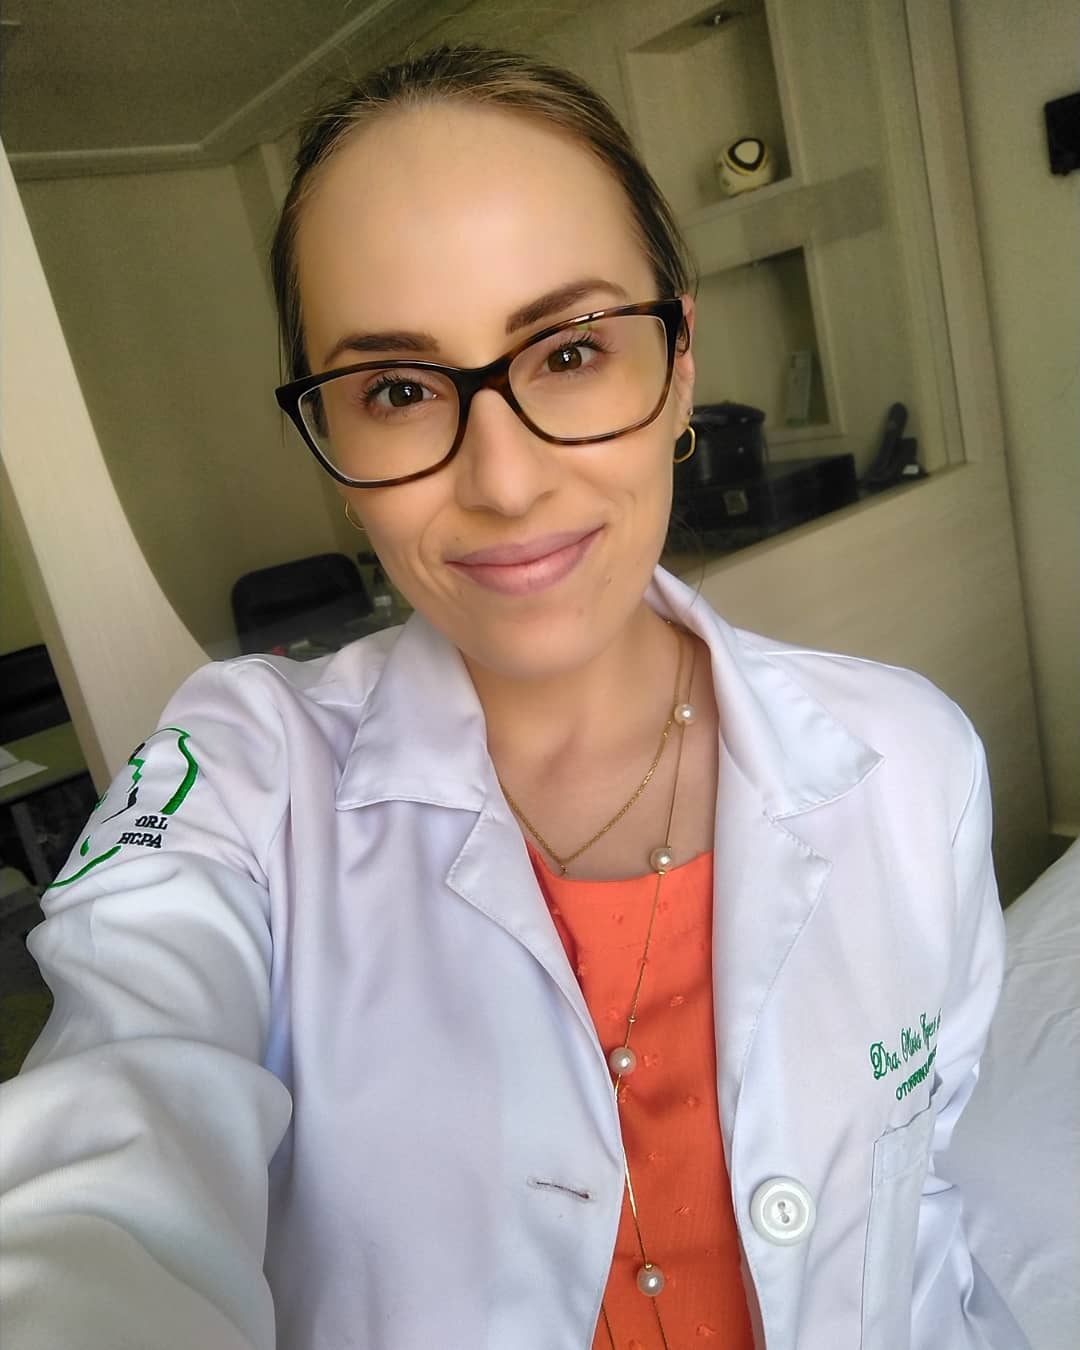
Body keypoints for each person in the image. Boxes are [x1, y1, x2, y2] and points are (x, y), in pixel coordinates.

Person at [0, 44, 1030, 1350]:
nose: (503, 478)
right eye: (396, 389)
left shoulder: (912, 760)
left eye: (572, 351)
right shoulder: (249, 780)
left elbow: (920, 1203)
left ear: (679, 366)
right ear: (332, 438)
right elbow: (103, 1161)